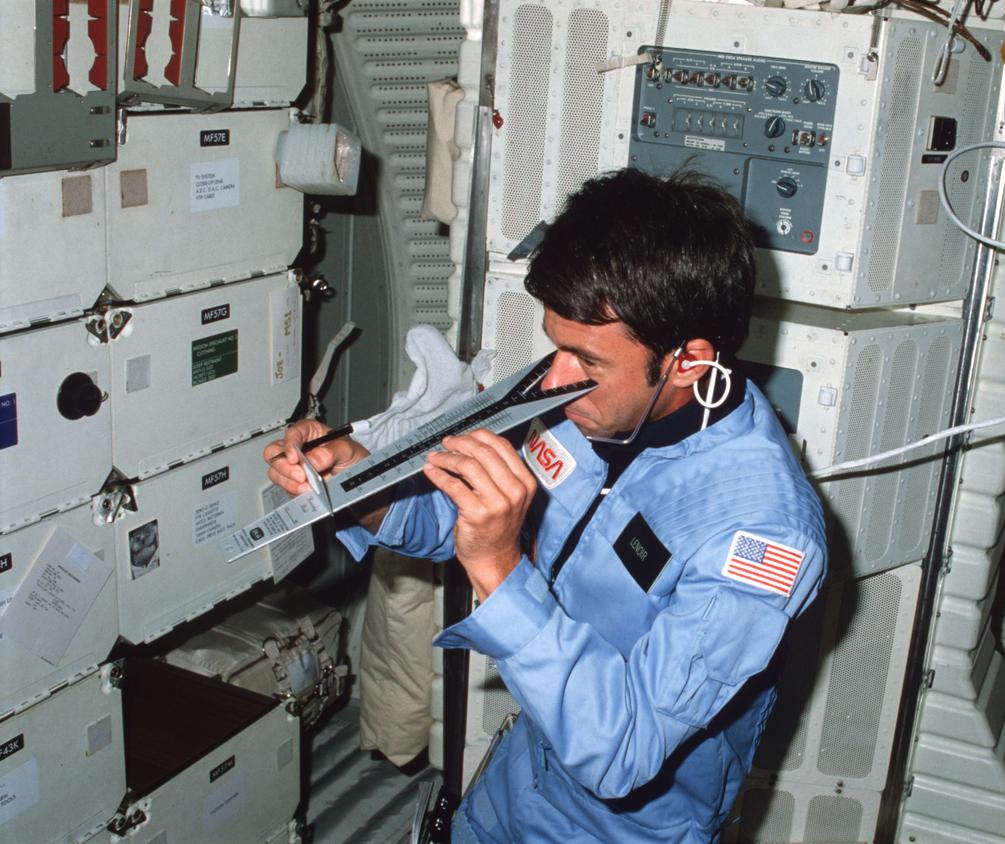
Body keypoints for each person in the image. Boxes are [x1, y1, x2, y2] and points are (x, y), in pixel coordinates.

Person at [265, 168, 827, 842]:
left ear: (688, 362)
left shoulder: (760, 535)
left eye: (584, 361)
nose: (553, 380)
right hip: (515, 780)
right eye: (554, 345)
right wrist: (358, 485)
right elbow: (455, 521)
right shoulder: (578, 395)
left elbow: (625, 750)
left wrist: (501, 571)